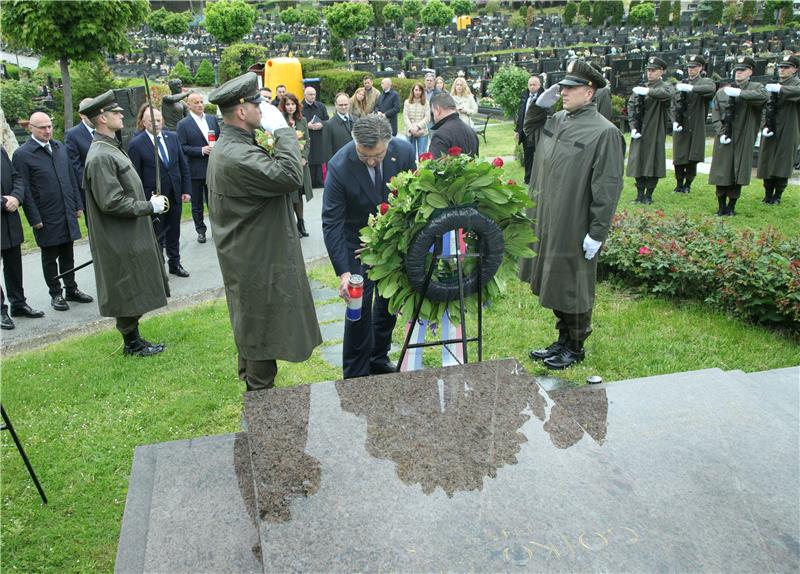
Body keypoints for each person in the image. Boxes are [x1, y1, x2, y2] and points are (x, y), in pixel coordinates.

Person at [206, 72, 321, 392]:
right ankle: (261, 409)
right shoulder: (236, 153)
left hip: (252, 252)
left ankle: (257, 395)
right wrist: (283, 129)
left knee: (255, 327)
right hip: (255, 258)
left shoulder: (234, 145)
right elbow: (288, 176)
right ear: (241, 111)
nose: (264, 108)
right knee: (260, 332)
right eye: (258, 103)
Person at [519, 60, 625, 370]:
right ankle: (563, 338)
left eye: (570, 88)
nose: (563, 92)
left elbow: (607, 187)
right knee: (554, 280)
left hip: (574, 220)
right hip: (549, 216)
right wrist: (539, 106)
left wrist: (597, 233)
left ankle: (576, 345)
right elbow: (531, 130)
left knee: (572, 283)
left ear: (589, 93)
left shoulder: (605, 133)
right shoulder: (559, 119)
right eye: (562, 87)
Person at [321, 115, 416, 379]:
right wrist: (343, 273)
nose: (372, 161)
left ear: (388, 143)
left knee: (388, 305)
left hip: (391, 244)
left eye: (378, 155)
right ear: (355, 145)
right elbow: (332, 222)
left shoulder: (405, 152)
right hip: (356, 246)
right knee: (358, 311)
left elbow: (413, 197)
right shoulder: (340, 165)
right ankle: (355, 373)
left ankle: (378, 357)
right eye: (365, 156)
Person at [80, 90, 169, 356]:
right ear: (103, 118)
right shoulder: (100, 155)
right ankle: (132, 344)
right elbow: (112, 202)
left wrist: (145, 199)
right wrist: (148, 207)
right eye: (116, 112)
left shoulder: (110, 148)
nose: (121, 115)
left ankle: (135, 340)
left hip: (128, 232)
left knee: (135, 284)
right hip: (119, 236)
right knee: (127, 286)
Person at [14, 112, 93, 312]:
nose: (47, 131)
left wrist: (77, 205)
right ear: (30, 127)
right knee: (50, 256)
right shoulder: (23, 154)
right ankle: (55, 293)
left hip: (66, 209)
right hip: (45, 214)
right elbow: (25, 190)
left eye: (49, 126)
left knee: (68, 252)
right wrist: (34, 218)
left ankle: (71, 289)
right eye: (42, 127)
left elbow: (71, 178)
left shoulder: (59, 147)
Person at [128, 106, 192, 277]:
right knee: (158, 234)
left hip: (175, 193)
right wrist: (144, 201)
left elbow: (182, 165)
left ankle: (175, 263)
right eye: (151, 121)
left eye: (158, 120)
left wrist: (186, 189)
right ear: (143, 122)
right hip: (154, 198)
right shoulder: (137, 144)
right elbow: (136, 176)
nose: (156, 124)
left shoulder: (172, 137)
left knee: (174, 230)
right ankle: (158, 268)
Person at [708, 56, 768, 216]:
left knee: (737, 171)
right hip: (725, 137)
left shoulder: (756, 87)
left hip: (744, 137)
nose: (738, 73)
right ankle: (721, 205)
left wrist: (741, 93)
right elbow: (715, 113)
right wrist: (721, 132)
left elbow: (763, 98)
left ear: (750, 71)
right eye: (737, 70)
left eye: (742, 70)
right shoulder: (722, 92)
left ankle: (732, 205)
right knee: (722, 171)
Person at [2, 147, 44, 329]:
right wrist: (4, 202)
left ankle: (18, 304)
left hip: (10, 221)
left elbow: (16, 177)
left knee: (14, 265)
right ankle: (1, 311)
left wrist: (17, 197)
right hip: (5, 209)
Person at [626, 57, 675, 205]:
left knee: (653, 162)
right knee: (638, 161)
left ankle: (649, 194)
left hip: (654, 130)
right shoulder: (641, 87)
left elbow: (667, 95)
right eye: (648, 70)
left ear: (661, 71)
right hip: (640, 130)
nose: (650, 73)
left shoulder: (665, 86)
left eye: (653, 70)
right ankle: (639, 193)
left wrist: (648, 91)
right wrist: (633, 127)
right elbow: (631, 107)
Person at [176, 91, 221, 244]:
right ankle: (200, 230)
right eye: (196, 102)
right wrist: (200, 150)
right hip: (195, 170)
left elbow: (220, 139)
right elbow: (181, 147)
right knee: (197, 204)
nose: (200, 105)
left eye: (201, 101)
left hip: (213, 167)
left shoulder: (212, 120)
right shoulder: (183, 124)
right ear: (188, 105)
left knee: (214, 201)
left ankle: (217, 229)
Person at [757, 55, 800, 205]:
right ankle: (768, 192)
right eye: (780, 67)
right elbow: (764, 108)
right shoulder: (773, 85)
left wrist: (781, 89)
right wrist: (764, 125)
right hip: (771, 127)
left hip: (788, 127)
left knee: (783, 161)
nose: (782, 70)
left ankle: (777, 195)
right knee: (767, 159)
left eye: (786, 67)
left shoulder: (796, 85)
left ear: (795, 69)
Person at [672, 55, 716, 194]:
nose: (691, 70)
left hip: (696, 124)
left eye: (694, 67)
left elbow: (710, 89)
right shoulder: (681, 84)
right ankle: (679, 183)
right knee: (679, 156)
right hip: (682, 123)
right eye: (689, 67)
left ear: (700, 68)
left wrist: (691, 88)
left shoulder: (705, 82)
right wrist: (674, 121)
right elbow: (673, 105)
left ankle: (688, 184)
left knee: (692, 156)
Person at [279, 92, 314, 237]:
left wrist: (304, 157)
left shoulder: (302, 120)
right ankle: (292, 225)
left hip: (301, 164)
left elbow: (307, 140)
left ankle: (301, 222)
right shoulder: (280, 121)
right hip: (287, 164)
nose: (290, 107)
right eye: (287, 104)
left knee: (299, 194)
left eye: (293, 104)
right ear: (283, 106)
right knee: (290, 194)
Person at [64, 97, 95, 215]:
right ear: (82, 115)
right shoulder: (73, 134)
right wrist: (90, 185)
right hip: (89, 189)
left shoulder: (103, 129)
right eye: (89, 113)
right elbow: (75, 165)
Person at [428, 92, 480, 157]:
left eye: (433, 112)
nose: (433, 117)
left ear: (438, 110)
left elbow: (434, 165)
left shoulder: (440, 135)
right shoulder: (471, 131)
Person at [518, 75, 545, 185]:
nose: (532, 87)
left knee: (539, 155)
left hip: (538, 131)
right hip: (525, 132)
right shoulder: (524, 97)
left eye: (534, 84)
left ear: (539, 85)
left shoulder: (543, 97)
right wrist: (517, 130)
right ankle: (528, 178)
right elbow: (520, 114)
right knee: (528, 156)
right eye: (530, 85)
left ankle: (540, 178)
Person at [301, 86, 329, 187]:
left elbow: (327, 120)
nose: (312, 96)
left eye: (314, 94)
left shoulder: (321, 106)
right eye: (310, 94)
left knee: (319, 159)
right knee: (308, 159)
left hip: (318, 137)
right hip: (305, 138)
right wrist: (306, 126)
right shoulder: (299, 106)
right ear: (304, 95)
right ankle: (308, 183)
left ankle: (319, 182)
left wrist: (321, 124)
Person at [323, 92, 354, 163]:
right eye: (341, 105)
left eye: (346, 104)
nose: (343, 107)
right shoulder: (329, 124)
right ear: (335, 105)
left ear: (349, 104)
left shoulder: (356, 120)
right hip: (339, 164)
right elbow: (327, 151)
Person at [403, 82, 431, 157]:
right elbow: (405, 116)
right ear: (413, 91)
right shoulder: (407, 102)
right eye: (416, 90)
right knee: (410, 154)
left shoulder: (426, 103)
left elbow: (427, 117)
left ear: (422, 91)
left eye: (419, 90)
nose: (418, 92)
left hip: (422, 132)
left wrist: (418, 126)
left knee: (422, 155)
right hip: (410, 132)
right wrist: (411, 128)